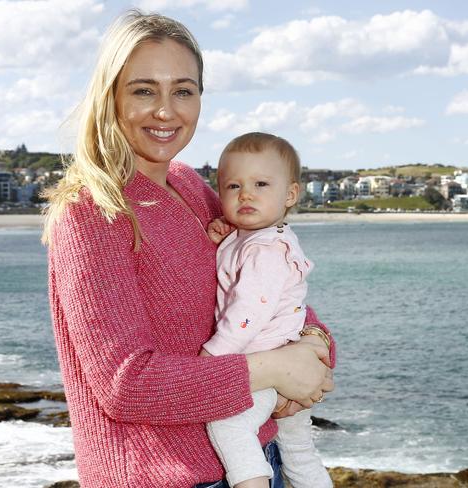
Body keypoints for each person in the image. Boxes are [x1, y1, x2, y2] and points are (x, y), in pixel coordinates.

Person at [42, 10, 335, 488]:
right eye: (143, 90)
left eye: (183, 90)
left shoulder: (190, 186)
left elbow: (275, 285)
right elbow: (126, 386)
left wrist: (317, 346)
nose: (166, 110)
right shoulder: (90, 213)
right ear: (110, 95)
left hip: (260, 461)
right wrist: (275, 368)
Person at [200, 133, 334, 488]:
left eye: (261, 184)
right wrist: (226, 237)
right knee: (299, 449)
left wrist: (212, 356)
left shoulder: (264, 251)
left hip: (262, 360)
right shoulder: (264, 237)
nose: (246, 194)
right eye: (232, 186)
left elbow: (248, 313)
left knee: (229, 426)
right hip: (284, 355)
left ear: (290, 194)